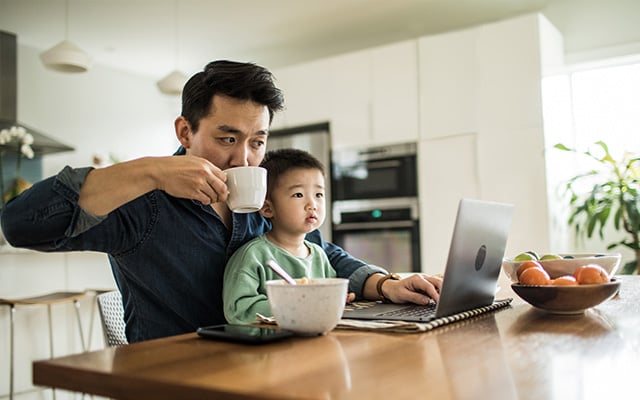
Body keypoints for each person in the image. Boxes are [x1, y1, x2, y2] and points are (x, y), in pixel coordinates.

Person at [0, 60, 442, 343]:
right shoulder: (142, 201)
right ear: (185, 132)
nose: (242, 158)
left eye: (257, 141)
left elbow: (319, 253)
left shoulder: (264, 196)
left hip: (267, 365)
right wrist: (151, 170)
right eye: (227, 138)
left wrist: (385, 285)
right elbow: (20, 224)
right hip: (178, 381)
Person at [223, 148, 350, 324]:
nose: (312, 204)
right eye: (298, 194)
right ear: (268, 208)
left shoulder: (319, 255)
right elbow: (239, 310)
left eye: (319, 194)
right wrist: (297, 304)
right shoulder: (253, 256)